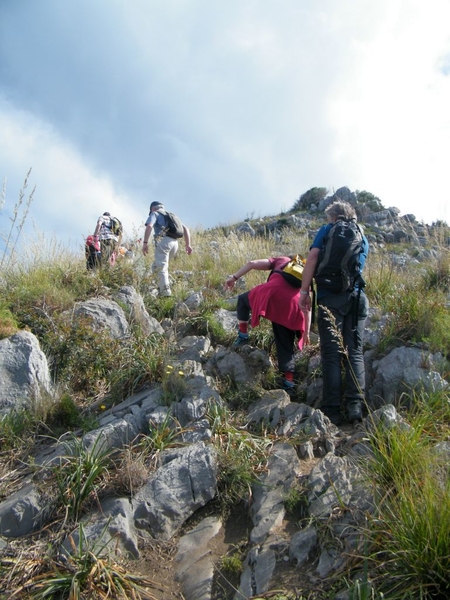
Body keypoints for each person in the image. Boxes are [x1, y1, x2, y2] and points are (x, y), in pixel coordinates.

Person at [299, 200, 369, 425]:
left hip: (331, 298)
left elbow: (312, 258)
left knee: (331, 354)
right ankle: (355, 407)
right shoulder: (362, 235)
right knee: (354, 352)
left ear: (334, 216)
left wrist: (304, 291)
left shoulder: (328, 230)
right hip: (358, 299)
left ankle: (332, 410)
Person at [225, 256, 311, 394]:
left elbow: (251, 263)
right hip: (294, 305)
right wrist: (306, 331)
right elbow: (308, 304)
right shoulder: (306, 272)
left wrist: (234, 278)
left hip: (272, 293)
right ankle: (288, 382)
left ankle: (243, 335)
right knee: (284, 341)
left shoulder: (281, 260)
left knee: (242, 300)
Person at [142, 202, 192, 296]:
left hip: (163, 242)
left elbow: (149, 226)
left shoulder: (155, 213)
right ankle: (154, 286)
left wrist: (145, 243)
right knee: (156, 266)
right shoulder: (170, 216)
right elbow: (186, 229)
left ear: (153, 208)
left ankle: (166, 294)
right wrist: (188, 245)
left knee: (162, 268)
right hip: (175, 244)